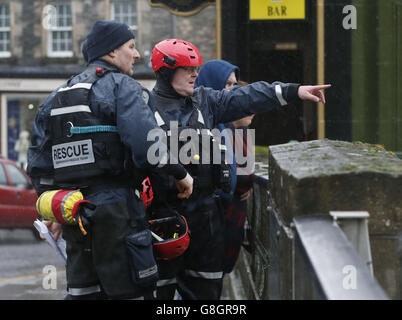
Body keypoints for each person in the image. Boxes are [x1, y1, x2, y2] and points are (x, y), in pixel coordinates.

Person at [147, 38, 330, 300]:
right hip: (161, 219)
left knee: (207, 293)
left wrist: (293, 91)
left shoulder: (205, 101)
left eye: (196, 68)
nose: (194, 75)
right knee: (159, 295)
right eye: (187, 69)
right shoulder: (143, 108)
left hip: (206, 218)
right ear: (166, 72)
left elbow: (246, 96)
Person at [27, 21, 193, 300]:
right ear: (111, 53)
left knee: (84, 293)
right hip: (119, 214)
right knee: (133, 292)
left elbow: (40, 166)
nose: (137, 54)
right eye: (131, 47)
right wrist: (180, 174)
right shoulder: (122, 86)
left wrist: (52, 210)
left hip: (75, 215)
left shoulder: (57, 97)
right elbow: (146, 146)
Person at [195, 61, 257, 273]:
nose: (233, 94)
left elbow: (243, 176)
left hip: (226, 223)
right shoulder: (207, 127)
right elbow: (237, 180)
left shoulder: (237, 132)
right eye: (228, 86)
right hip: (207, 223)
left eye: (234, 85)